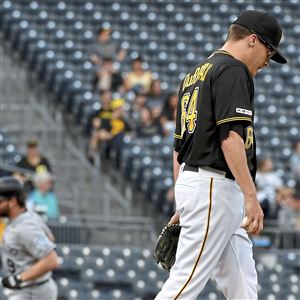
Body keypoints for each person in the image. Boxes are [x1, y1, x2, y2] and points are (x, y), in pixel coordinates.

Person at [155, 10, 287, 300]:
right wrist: (251, 197)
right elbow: (230, 139)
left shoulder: (194, 74)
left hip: (205, 187)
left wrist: (183, 199)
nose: (267, 61)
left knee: (243, 285)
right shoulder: (233, 70)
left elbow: (179, 149)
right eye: (269, 50)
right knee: (184, 284)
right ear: (253, 40)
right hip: (215, 188)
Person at [0, 176, 59, 299]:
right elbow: (50, 238)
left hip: (31, 291)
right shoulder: (26, 216)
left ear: (12, 201)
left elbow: (52, 260)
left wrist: (20, 278)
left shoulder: (26, 227)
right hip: (27, 290)